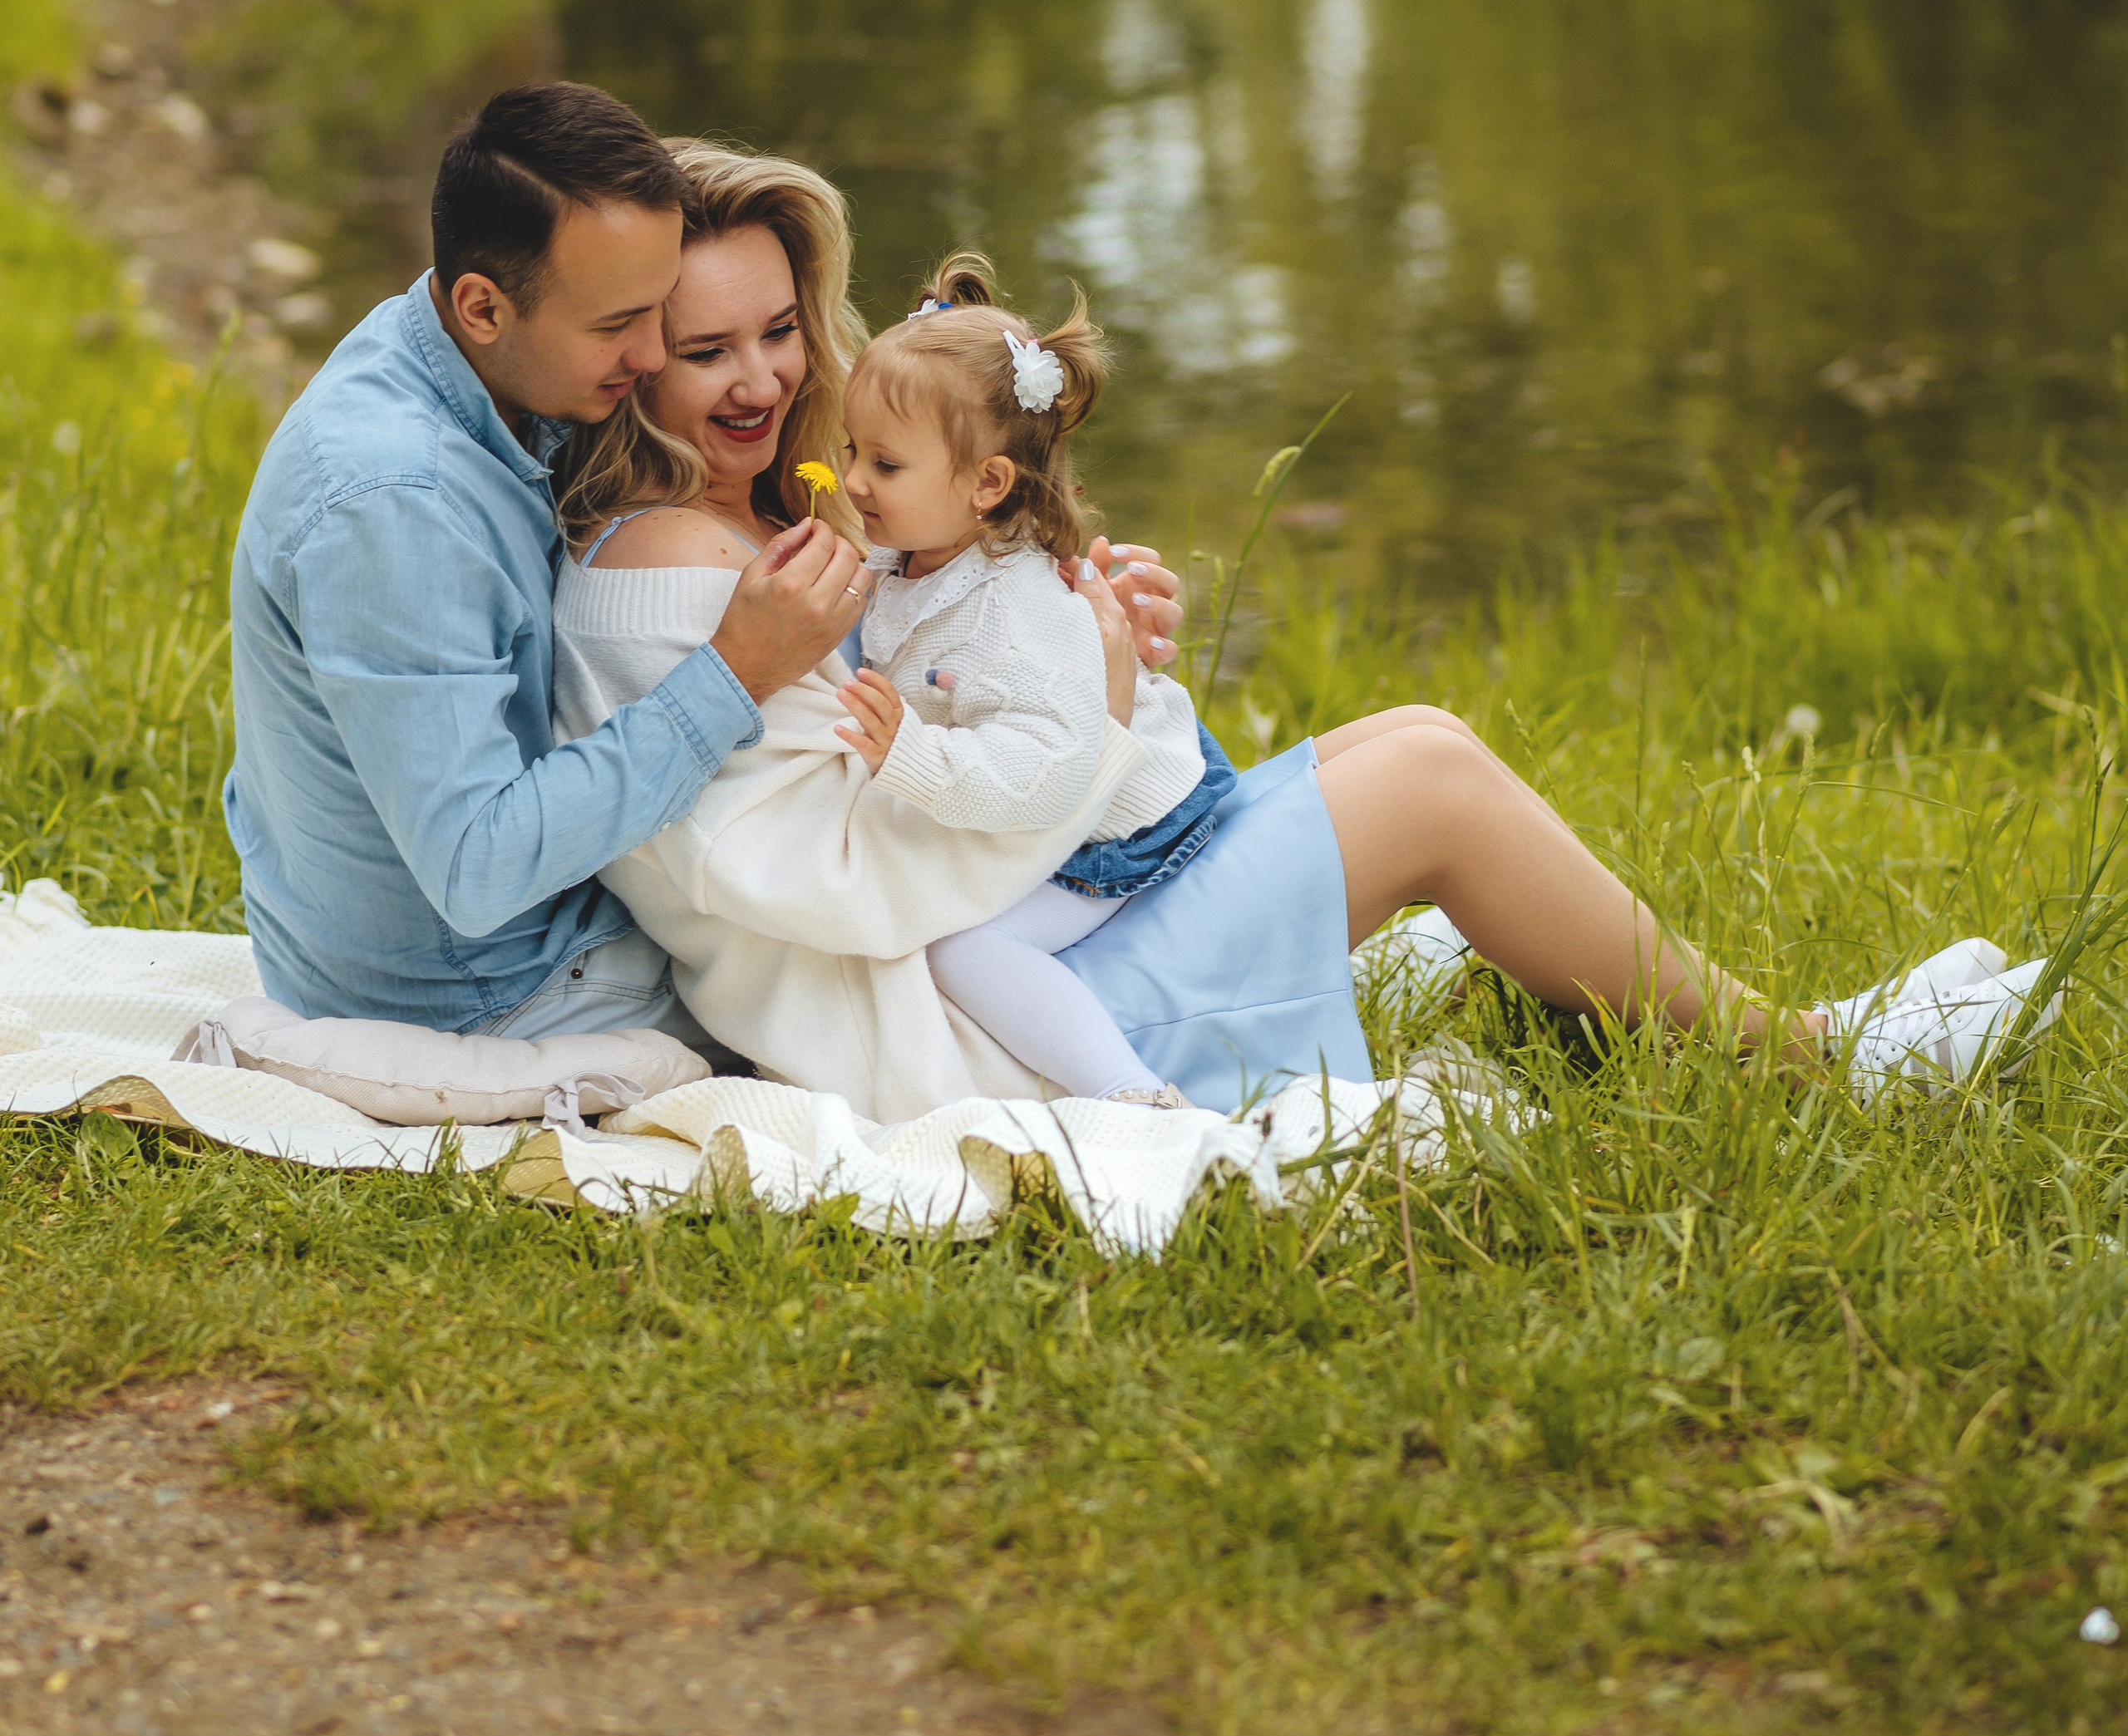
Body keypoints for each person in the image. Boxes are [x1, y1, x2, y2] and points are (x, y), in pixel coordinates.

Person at [550, 139, 2064, 1120]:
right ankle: (1818, 1068)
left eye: (782, 331)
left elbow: (930, 703)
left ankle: (1755, 1024)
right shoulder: (685, 565)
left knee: (1407, 735)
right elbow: (825, 864)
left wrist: (1079, 642)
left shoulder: (790, 524)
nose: (757, 380)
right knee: (1435, 781)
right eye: (699, 350)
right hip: (1003, 1029)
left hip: (1045, 931)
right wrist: (1090, 714)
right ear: (626, 359)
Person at [222, 81, 899, 1050]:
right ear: (484, 305)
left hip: (436, 932)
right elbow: (476, 869)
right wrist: (734, 672)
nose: (655, 350)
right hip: (487, 990)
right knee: (880, 969)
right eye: (621, 323)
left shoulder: (459, 350)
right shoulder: (393, 505)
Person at [833, 254, 1234, 1109]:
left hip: (1119, 819)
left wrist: (910, 752)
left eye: (884, 465)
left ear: (986, 483)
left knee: (962, 949)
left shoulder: (1014, 614)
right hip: (1066, 785)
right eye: (850, 452)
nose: (854, 481)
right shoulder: (910, 550)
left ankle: (1128, 1095)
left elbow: (1047, 777)